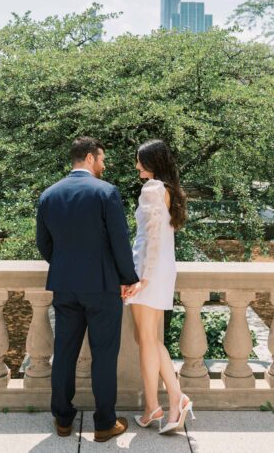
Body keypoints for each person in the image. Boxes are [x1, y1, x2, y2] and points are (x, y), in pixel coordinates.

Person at [36, 136, 140, 443]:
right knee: (104, 355)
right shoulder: (106, 192)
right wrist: (129, 278)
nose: (104, 165)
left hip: (65, 286)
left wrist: (65, 265)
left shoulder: (49, 194)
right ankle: (105, 422)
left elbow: (44, 243)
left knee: (64, 352)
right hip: (103, 286)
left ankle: (63, 420)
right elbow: (120, 242)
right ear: (91, 158)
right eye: (103, 159)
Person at [124, 139, 194, 435]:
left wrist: (142, 278)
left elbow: (150, 239)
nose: (137, 165)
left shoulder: (152, 189)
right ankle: (173, 398)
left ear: (151, 162)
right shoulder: (170, 190)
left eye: (140, 160)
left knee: (147, 339)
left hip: (149, 272)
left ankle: (157, 404)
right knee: (149, 339)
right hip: (162, 270)